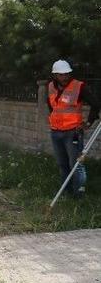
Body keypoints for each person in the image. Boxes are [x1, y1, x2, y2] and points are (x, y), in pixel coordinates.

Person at [47, 60, 99, 199]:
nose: (64, 77)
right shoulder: (51, 86)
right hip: (55, 132)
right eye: (61, 74)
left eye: (67, 74)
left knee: (77, 164)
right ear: (55, 75)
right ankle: (66, 193)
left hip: (73, 133)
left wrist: (88, 123)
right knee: (62, 164)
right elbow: (52, 107)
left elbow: (95, 104)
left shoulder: (79, 86)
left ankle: (79, 195)